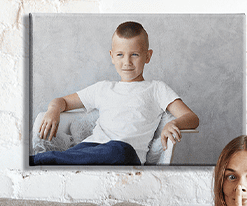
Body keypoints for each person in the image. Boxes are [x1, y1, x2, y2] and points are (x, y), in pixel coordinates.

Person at [31, 21, 199, 165]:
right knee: (89, 150)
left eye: (134, 54)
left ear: (147, 56)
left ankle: (45, 160)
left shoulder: (156, 88)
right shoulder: (103, 88)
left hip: (125, 154)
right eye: (120, 55)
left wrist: (174, 124)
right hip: (90, 148)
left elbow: (192, 118)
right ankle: (54, 160)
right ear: (112, 56)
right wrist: (53, 110)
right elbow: (62, 101)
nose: (127, 62)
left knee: (119, 149)